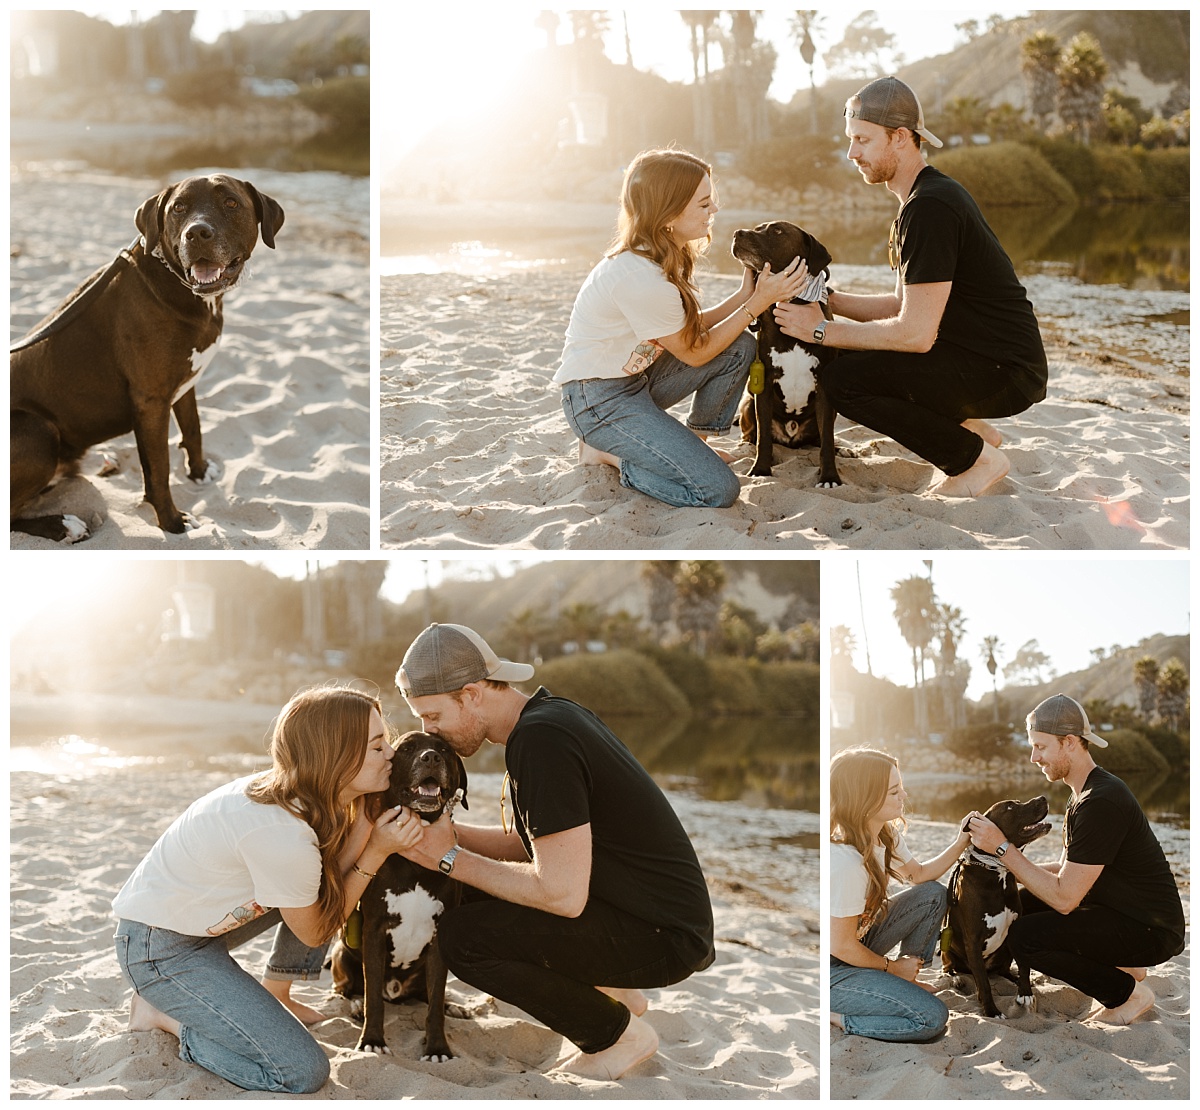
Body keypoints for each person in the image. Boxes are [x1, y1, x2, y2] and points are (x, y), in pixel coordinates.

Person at [394, 622, 716, 1080]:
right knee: (474, 892)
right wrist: (448, 837)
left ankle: (618, 1035)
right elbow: (536, 845)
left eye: (432, 716)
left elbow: (562, 894)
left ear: (471, 694)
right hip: (654, 915)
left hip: (664, 935)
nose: (430, 732)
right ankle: (621, 996)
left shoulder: (541, 742)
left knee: (464, 938)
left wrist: (446, 859)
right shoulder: (550, 716)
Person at [111, 686, 425, 1093]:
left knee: (313, 882)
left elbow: (325, 877)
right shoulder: (282, 834)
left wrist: (365, 824)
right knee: (301, 1071)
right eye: (377, 745)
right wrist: (377, 850)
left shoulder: (302, 795)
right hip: (158, 948)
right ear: (336, 756)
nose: (391, 754)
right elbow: (314, 930)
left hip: (195, 923)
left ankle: (278, 988)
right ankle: (162, 1015)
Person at [775, 76, 1048, 498]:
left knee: (844, 380)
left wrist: (818, 330)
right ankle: (972, 429)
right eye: (851, 140)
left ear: (900, 137)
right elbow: (902, 305)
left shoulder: (930, 208)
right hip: (979, 356)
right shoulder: (918, 202)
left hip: (1004, 370)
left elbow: (915, 335)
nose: (852, 153)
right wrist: (828, 300)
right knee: (847, 354)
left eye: (863, 140)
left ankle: (975, 459)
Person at [554, 146, 810, 508]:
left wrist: (743, 296)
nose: (714, 211)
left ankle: (697, 445)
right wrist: (757, 305)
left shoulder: (658, 256)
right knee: (717, 490)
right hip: (597, 401)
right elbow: (695, 352)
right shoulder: (640, 277)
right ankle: (606, 453)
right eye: (704, 205)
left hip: (636, 381)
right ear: (670, 214)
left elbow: (685, 330)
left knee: (739, 348)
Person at [968, 693, 1185, 1025]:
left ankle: (1127, 994)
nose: (1032, 757)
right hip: (1123, 913)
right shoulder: (1082, 794)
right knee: (1024, 903)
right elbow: (1064, 870)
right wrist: (999, 873)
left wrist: (1003, 849)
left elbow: (1066, 898)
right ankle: (1126, 966)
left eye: (1040, 747)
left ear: (1069, 742)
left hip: (1151, 929)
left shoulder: (1101, 801)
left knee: (1024, 937)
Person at [829, 747, 974, 1042]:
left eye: (901, 788)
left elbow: (919, 875)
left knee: (933, 894)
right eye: (894, 792)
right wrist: (892, 968)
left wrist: (962, 841)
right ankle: (836, 1016)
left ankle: (910, 977)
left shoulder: (884, 833)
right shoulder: (845, 862)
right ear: (865, 799)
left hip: (859, 942)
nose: (904, 796)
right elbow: (841, 946)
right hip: (832, 969)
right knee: (931, 1018)